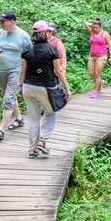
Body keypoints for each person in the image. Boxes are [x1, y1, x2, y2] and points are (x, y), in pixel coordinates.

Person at [20, 21, 71, 158]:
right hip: (45, 88)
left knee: (33, 118)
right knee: (51, 113)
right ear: (44, 33)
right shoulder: (51, 49)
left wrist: (20, 87)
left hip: (28, 87)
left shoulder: (26, 49)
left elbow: (22, 71)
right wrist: (67, 88)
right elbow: (59, 71)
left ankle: (32, 150)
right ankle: (42, 141)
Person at [0, 11, 31, 141]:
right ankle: (19, 118)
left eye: (3, 21)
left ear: (11, 21)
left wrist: (25, 73)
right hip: (1, 70)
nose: (0, 23)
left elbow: (30, 55)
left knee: (8, 98)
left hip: (16, 70)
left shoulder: (23, 35)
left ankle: (1, 130)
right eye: (0, 21)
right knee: (8, 96)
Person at [37, 22, 67, 153]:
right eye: (48, 30)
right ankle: (40, 142)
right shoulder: (37, 44)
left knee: (49, 103)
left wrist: (61, 75)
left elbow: (62, 61)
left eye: (51, 30)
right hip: (38, 79)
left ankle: (39, 143)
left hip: (52, 77)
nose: (49, 32)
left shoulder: (57, 43)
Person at [85, 18, 111, 99]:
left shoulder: (105, 34)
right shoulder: (92, 32)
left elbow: (110, 46)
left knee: (97, 73)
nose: (95, 29)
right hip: (92, 56)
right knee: (91, 73)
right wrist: (93, 24)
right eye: (94, 27)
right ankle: (99, 82)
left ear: (100, 27)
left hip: (101, 56)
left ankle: (96, 91)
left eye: (97, 27)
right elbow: (86, 23)